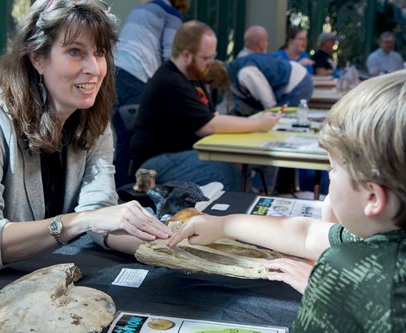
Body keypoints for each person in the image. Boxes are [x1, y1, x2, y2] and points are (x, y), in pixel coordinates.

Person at [0, 0, 173, 296]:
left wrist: (170, 246)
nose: (94, 68)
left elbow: (99, 214)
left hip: (32, 284)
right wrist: (80, 221)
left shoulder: (93, 123)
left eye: (99, 52)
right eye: (75, 52)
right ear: (37, 58)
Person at [168, 70, 406, 331]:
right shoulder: (386, 234)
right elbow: (308, 235)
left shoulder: (343, 272)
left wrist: (324, 289)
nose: (329, 177)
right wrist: (224, 225)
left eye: (334, 169)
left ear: (372, 197)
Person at [130, 21, 281, 192]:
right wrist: (259, 124)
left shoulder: (194, 76)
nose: (211, 62)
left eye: (212, 56)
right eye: (206, 58)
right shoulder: (171, 82)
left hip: (178, 153)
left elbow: (214, 116)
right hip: (153, 162)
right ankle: (228, 213)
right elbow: (208, 126)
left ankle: (240, 205)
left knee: (239, 163)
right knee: (226, 173)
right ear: (186, 55)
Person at [112, 0, 190, 187]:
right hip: (137, 76)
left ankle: (118, 190)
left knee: (123, 139)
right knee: (138, 141)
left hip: (115, 73)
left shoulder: (141, 8)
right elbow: (171, 56)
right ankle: (131, 191)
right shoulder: (171, 14)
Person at [224, 53, 314, 116]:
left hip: (298, 83)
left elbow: (268, 100)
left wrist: (270, 115)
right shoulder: (234, 69)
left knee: (282, 119)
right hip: (293, 77)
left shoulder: (245, 73)